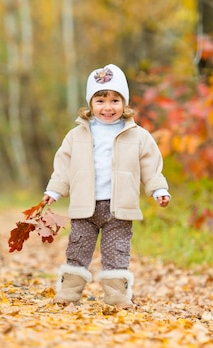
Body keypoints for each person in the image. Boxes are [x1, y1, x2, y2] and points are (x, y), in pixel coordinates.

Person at [42, 64, 170, 308]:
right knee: (78, 249)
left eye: (115, 100)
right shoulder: (77, 134)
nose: (108, 107)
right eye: (100, 100)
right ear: (91, 103)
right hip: (84, 206)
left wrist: (159, 190)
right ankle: (69, 292)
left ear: (125, 103)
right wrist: (54, 190)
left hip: (119, 208)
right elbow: (64, 164)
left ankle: (116, 295)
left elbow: (151, 165)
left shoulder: (137, 135)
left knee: (117, 251)